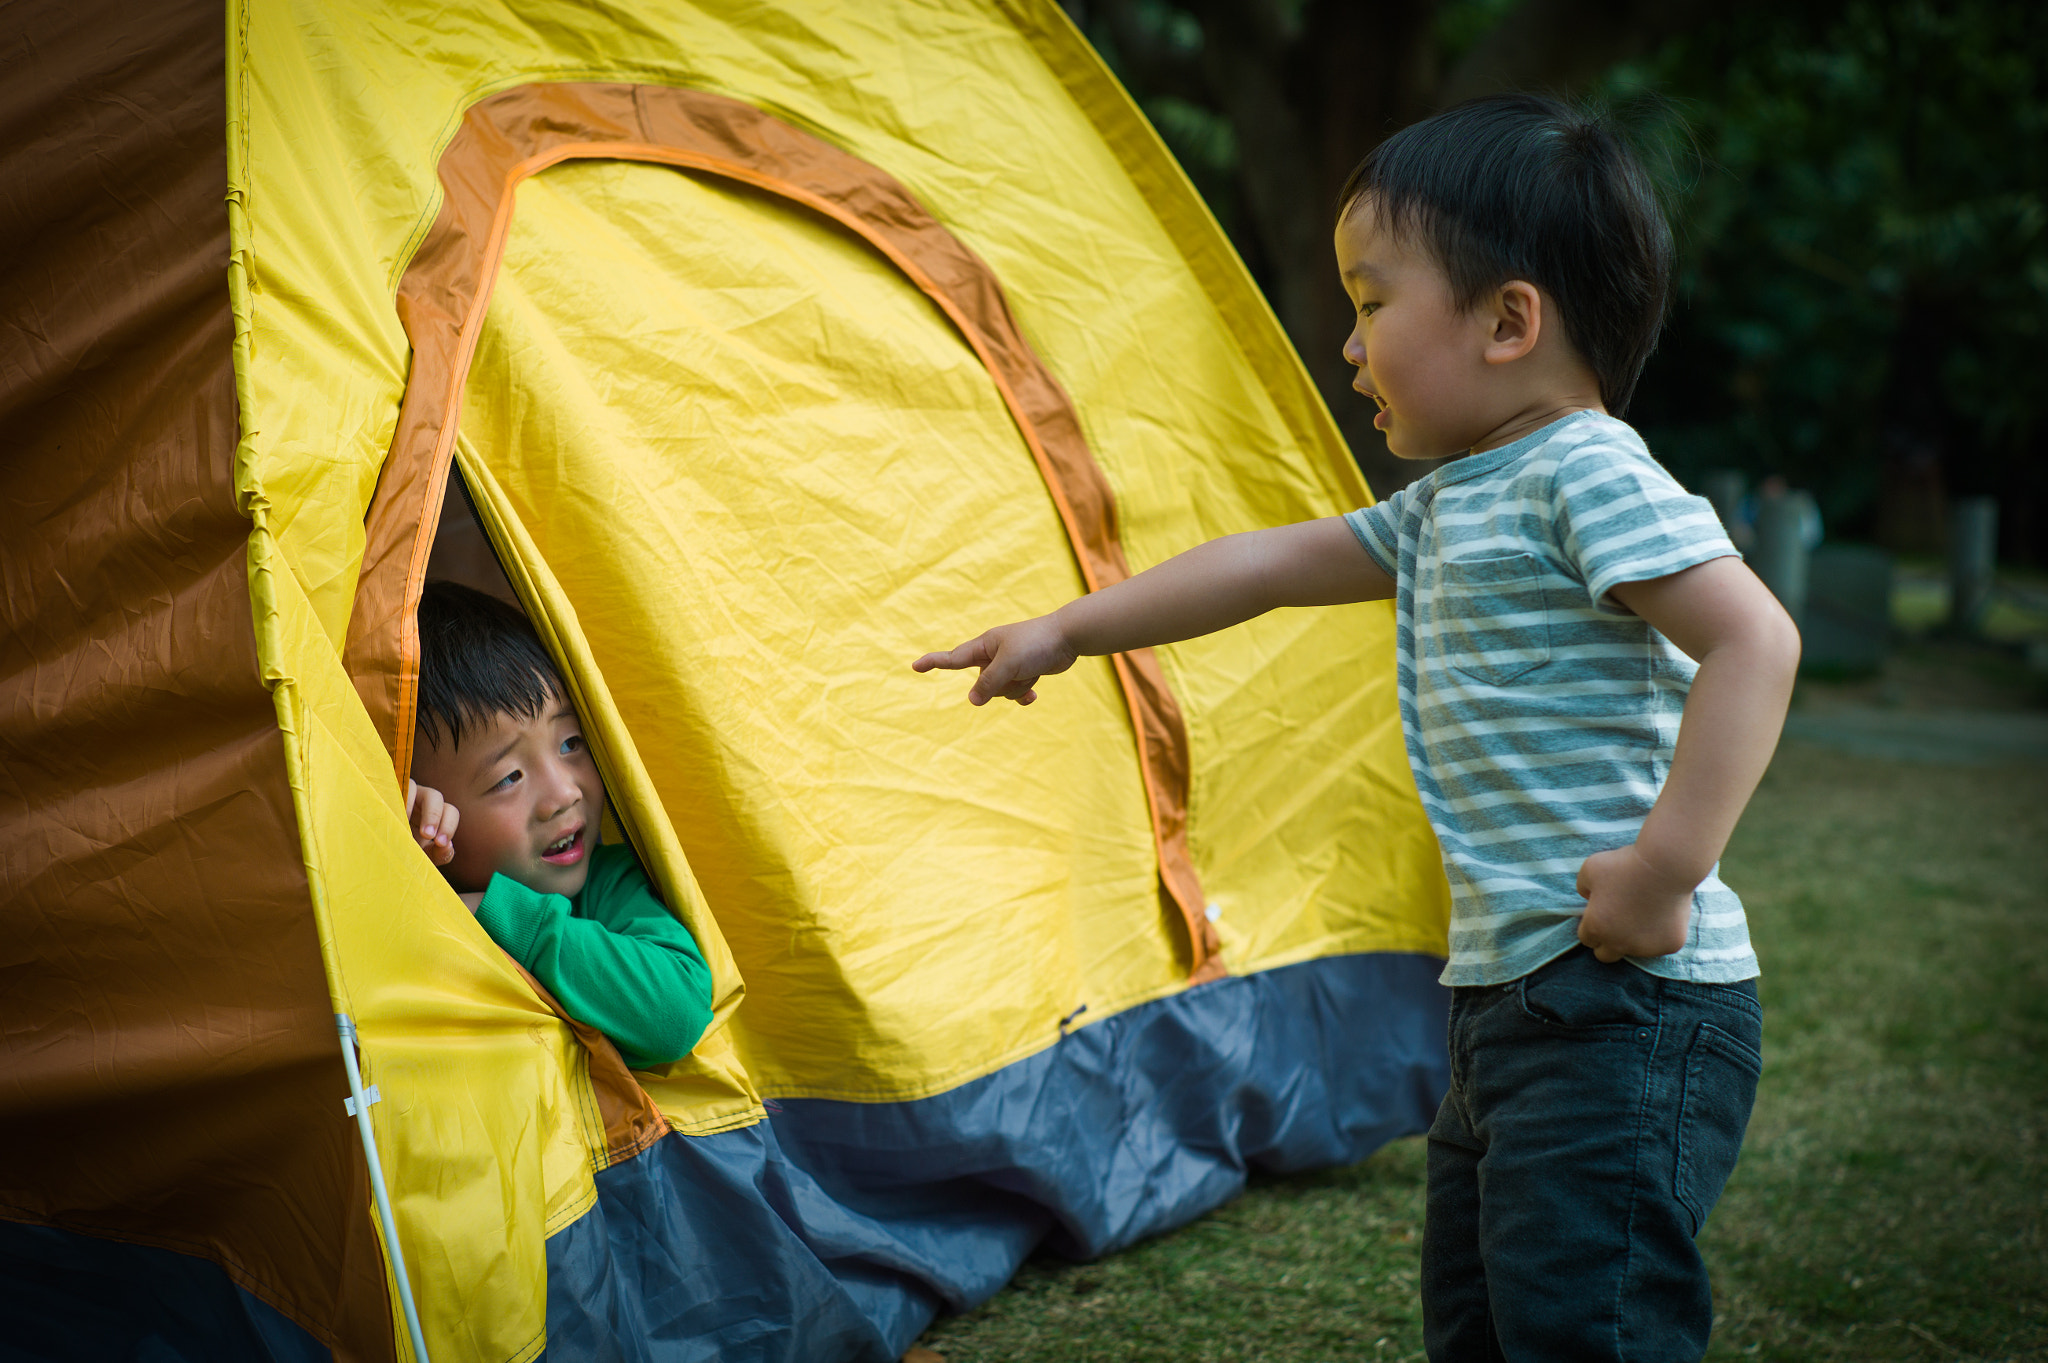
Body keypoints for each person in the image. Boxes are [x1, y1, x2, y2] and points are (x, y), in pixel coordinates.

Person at [913, 94, 1800, 1361]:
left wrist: (1665, 871)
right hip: (1509, 997)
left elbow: (1753, 639)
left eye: (1372, 302)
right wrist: (1068, 627)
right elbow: (1269, 562)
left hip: (1623, 999)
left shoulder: (1583, 472)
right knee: (1482, 1315)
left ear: (1507, 322)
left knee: (1583, 1320)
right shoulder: (1447, 505)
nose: (1346, 343)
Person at [405, 580, 713, 1070]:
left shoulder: (608, 888)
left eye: (570, 743)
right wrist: (399, 854)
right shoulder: (400, 902)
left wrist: (501, 914)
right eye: (509, 777)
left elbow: (677, 1013)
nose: (564, 794)